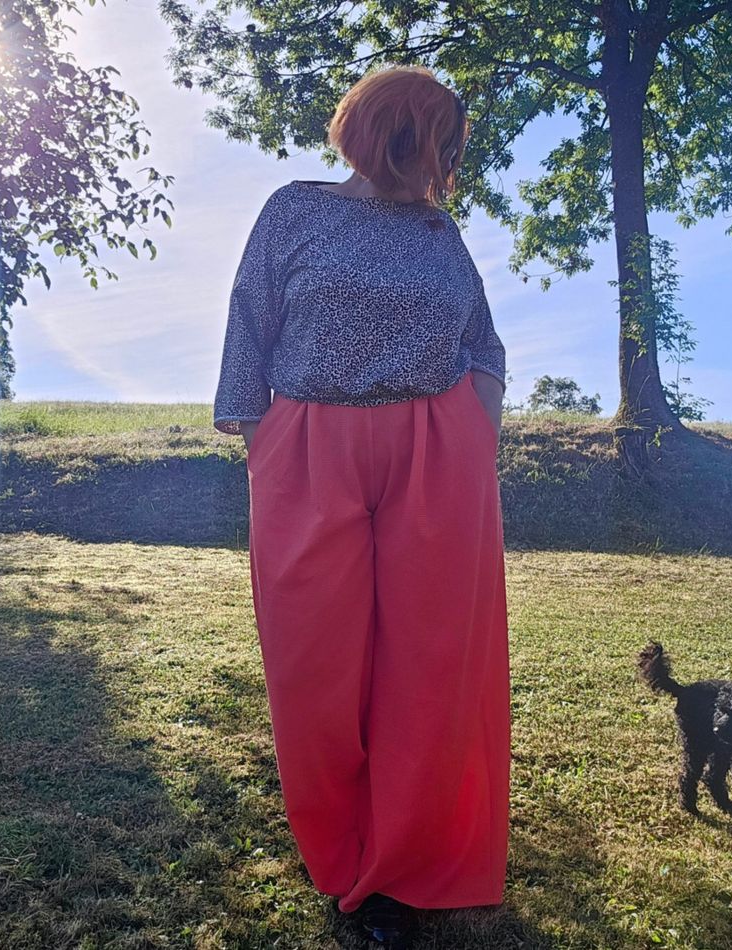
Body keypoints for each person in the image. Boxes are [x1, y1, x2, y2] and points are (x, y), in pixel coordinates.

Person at [212, 63, 509, 948]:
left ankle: (397, 876)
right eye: (434, 140)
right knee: (315, 670)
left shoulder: (438, 231)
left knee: (427, 668)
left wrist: (473, 433)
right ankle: (340, 852)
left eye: (449, 147)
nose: (443, 161)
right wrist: (262, 438)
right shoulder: (294, 211)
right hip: (310, 450)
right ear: (387, 131)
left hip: (434, 456)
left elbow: (483, 343)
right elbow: (248, 323)